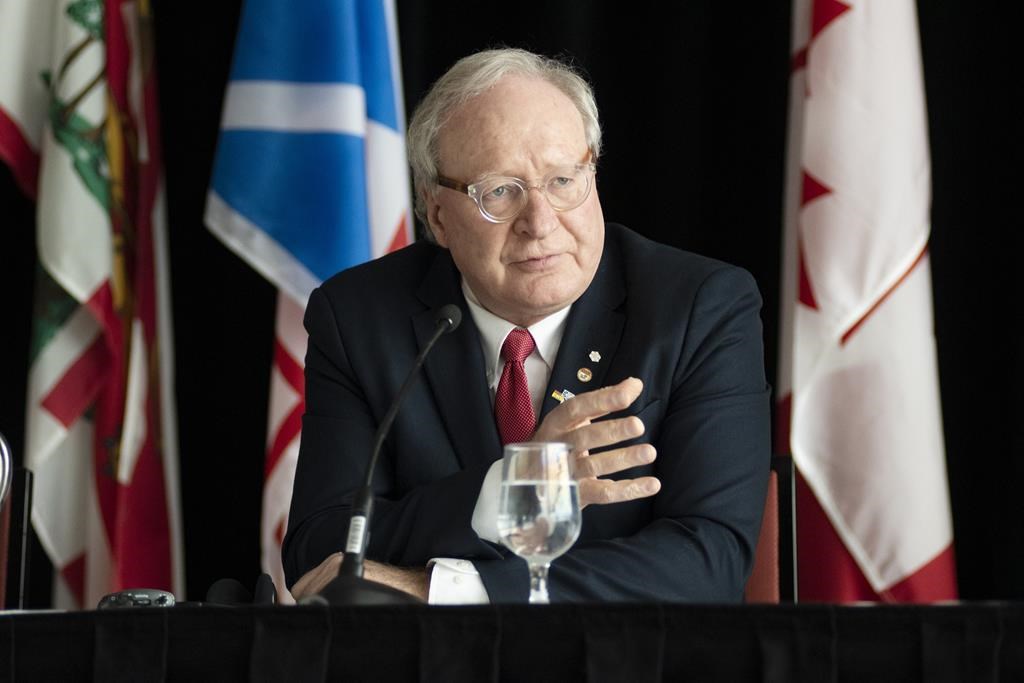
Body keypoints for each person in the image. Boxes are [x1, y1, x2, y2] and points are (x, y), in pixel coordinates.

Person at [282, 48, 770, 603]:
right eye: (499, 192)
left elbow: (710, 558)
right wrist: (506, 490)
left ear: (593, 175)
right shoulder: (359, 317)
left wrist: (452, 590)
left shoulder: (701, 308)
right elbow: (321, 547)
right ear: (437, 215)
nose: (539, 223)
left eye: (562, 180)